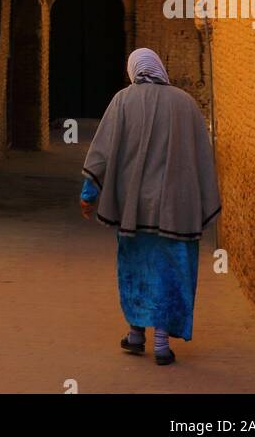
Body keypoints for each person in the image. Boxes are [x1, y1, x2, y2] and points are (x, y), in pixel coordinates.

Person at [79, 47, 221, 366]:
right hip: (176, 210)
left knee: (136, 269)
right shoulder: (186, 104)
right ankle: (160, 343)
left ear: (133, 70)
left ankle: (135, 335)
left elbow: (100, 152)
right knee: (171, 271)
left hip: (133, 211)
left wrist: (89, 193)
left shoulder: (122, 101)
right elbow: (202, 156)